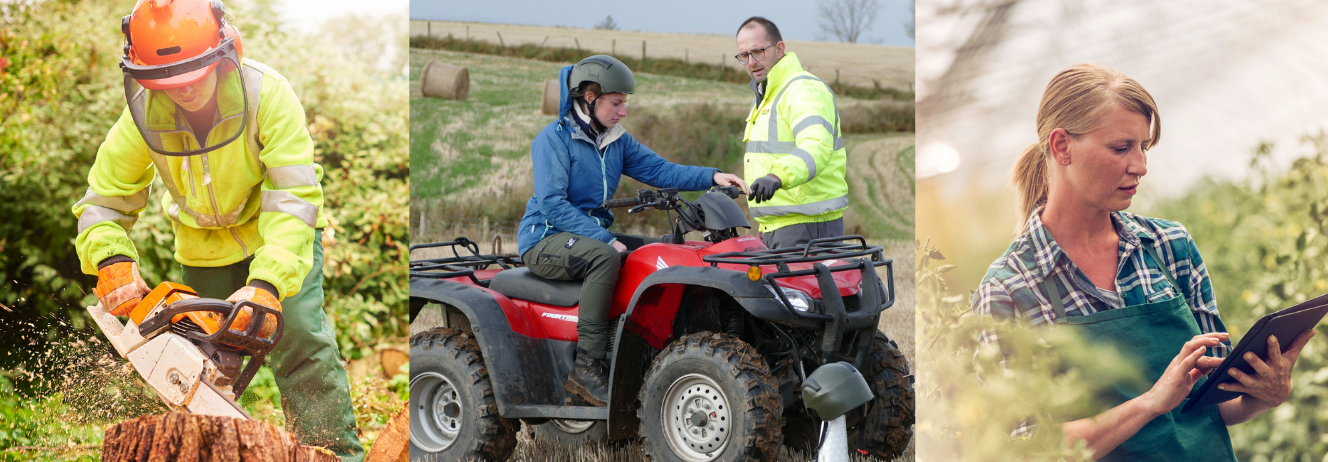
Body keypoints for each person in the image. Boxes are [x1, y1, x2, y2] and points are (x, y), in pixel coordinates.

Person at [972, 63, 1314, 461]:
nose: (1140, 165)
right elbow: (1022, 448)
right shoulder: (1010, 288)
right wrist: (1151, 402)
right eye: (1121, 148)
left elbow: (1213, 401)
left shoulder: (1170, 246)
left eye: (1143, 147)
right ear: (1062, 146)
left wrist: (1262, 395)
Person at [72, 1, 363, 460]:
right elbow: (103, 200)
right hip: (203, 248)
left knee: (301, 338)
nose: (183, 90)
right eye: (167, 82)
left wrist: (267, 285)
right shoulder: (143, 113)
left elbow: (294, 199)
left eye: (193, 76)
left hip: (277, 240)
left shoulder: (268, 94)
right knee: (191, 358)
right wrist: (110, 259)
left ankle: (333, 453)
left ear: (224, 53)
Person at [516, 55, 749, 406]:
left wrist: (712, 176)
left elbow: (662, 171)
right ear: (589, 97)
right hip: (545, 237)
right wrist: (605, 238)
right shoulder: (554, 140)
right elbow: (553, 205)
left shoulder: (615, 141)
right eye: (616, 103)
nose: (623, 111)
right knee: (605, 256)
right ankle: (587, 365)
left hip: (585, 236)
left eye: (624, 103)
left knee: (649, 255)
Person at [734, 16, 850, 249]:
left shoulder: (802, 89)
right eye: (744, 56)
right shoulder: (767, 95)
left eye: (758, 52)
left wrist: (777, 176)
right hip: (775, 227)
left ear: (779, 49)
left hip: (808, 228)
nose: (752, 62)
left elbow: (816, 146)